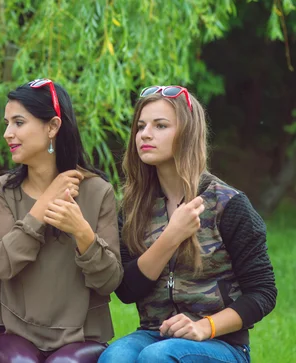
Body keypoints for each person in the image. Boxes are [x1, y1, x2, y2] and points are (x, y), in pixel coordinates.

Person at [98, 86, 277, 363]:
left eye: (160, 126)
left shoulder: (228, 205)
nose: (145, 134)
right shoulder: (134, 208)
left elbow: (263, 292)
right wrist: (171, 236)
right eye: (141, 126)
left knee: (158, 357)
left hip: (221, 342)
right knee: (115, 357)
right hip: (154, 333)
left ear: (187, 134)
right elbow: (127, 290)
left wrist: (205, 326)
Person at [0, 79, 123, 362]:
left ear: (52, 127)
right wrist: (44, 205)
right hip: (14, 332)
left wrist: (81, 231)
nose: (7, 133)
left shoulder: (98, 192)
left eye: (18, 123)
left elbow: (110, 281)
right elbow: (2, 264)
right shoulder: (2, 191)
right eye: (7, 123)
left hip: (82, 335)